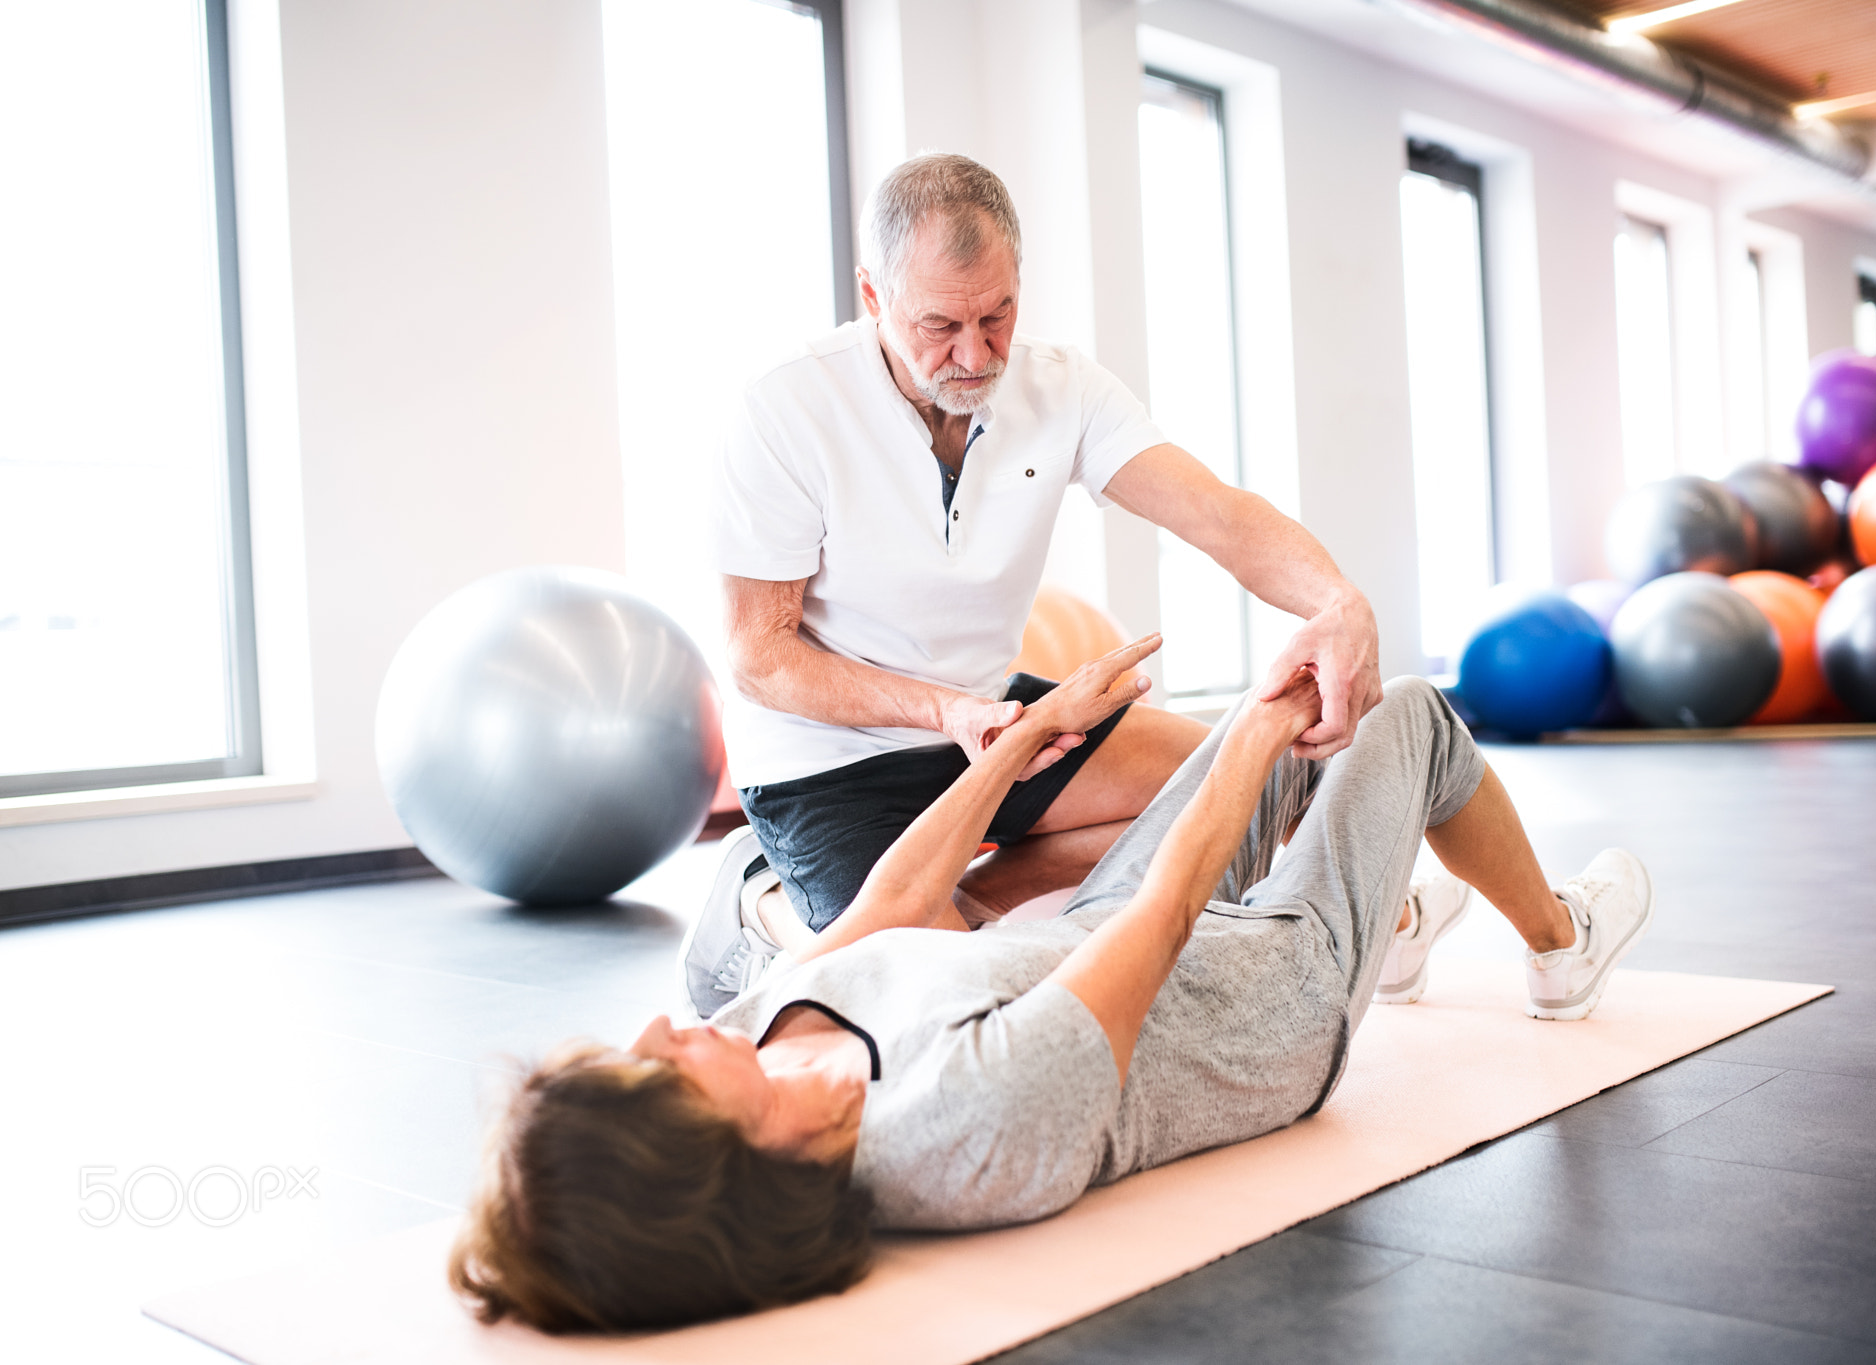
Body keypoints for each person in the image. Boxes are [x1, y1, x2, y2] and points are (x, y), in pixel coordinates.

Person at [451, 643, 1655, 1333]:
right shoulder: (963, 1135)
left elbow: (885, 907)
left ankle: (1395, 912)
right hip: (1262, 990)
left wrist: (1028, 736)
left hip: (1091, 924)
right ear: (709, 1152)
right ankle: (1560, 945)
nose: (662, 1026)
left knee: (1282, 746)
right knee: (1402, 716)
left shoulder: (749, 1046)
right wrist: (1247, 731)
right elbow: (1165, 919)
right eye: (657, 1066)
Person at [687, 152, 1384, 1016]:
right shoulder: (785, 410)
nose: (975, 353)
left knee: (1259, 781)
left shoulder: (1063, 386)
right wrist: (947, 713)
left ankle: (959, 901)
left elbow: (1215, 511)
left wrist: (1338, 602)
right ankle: (769, 909)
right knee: (949, 1002)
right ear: (874, 297)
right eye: (940, 324)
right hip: (827, 764)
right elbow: (760, 659)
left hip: (994, 723)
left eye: (998, 313)